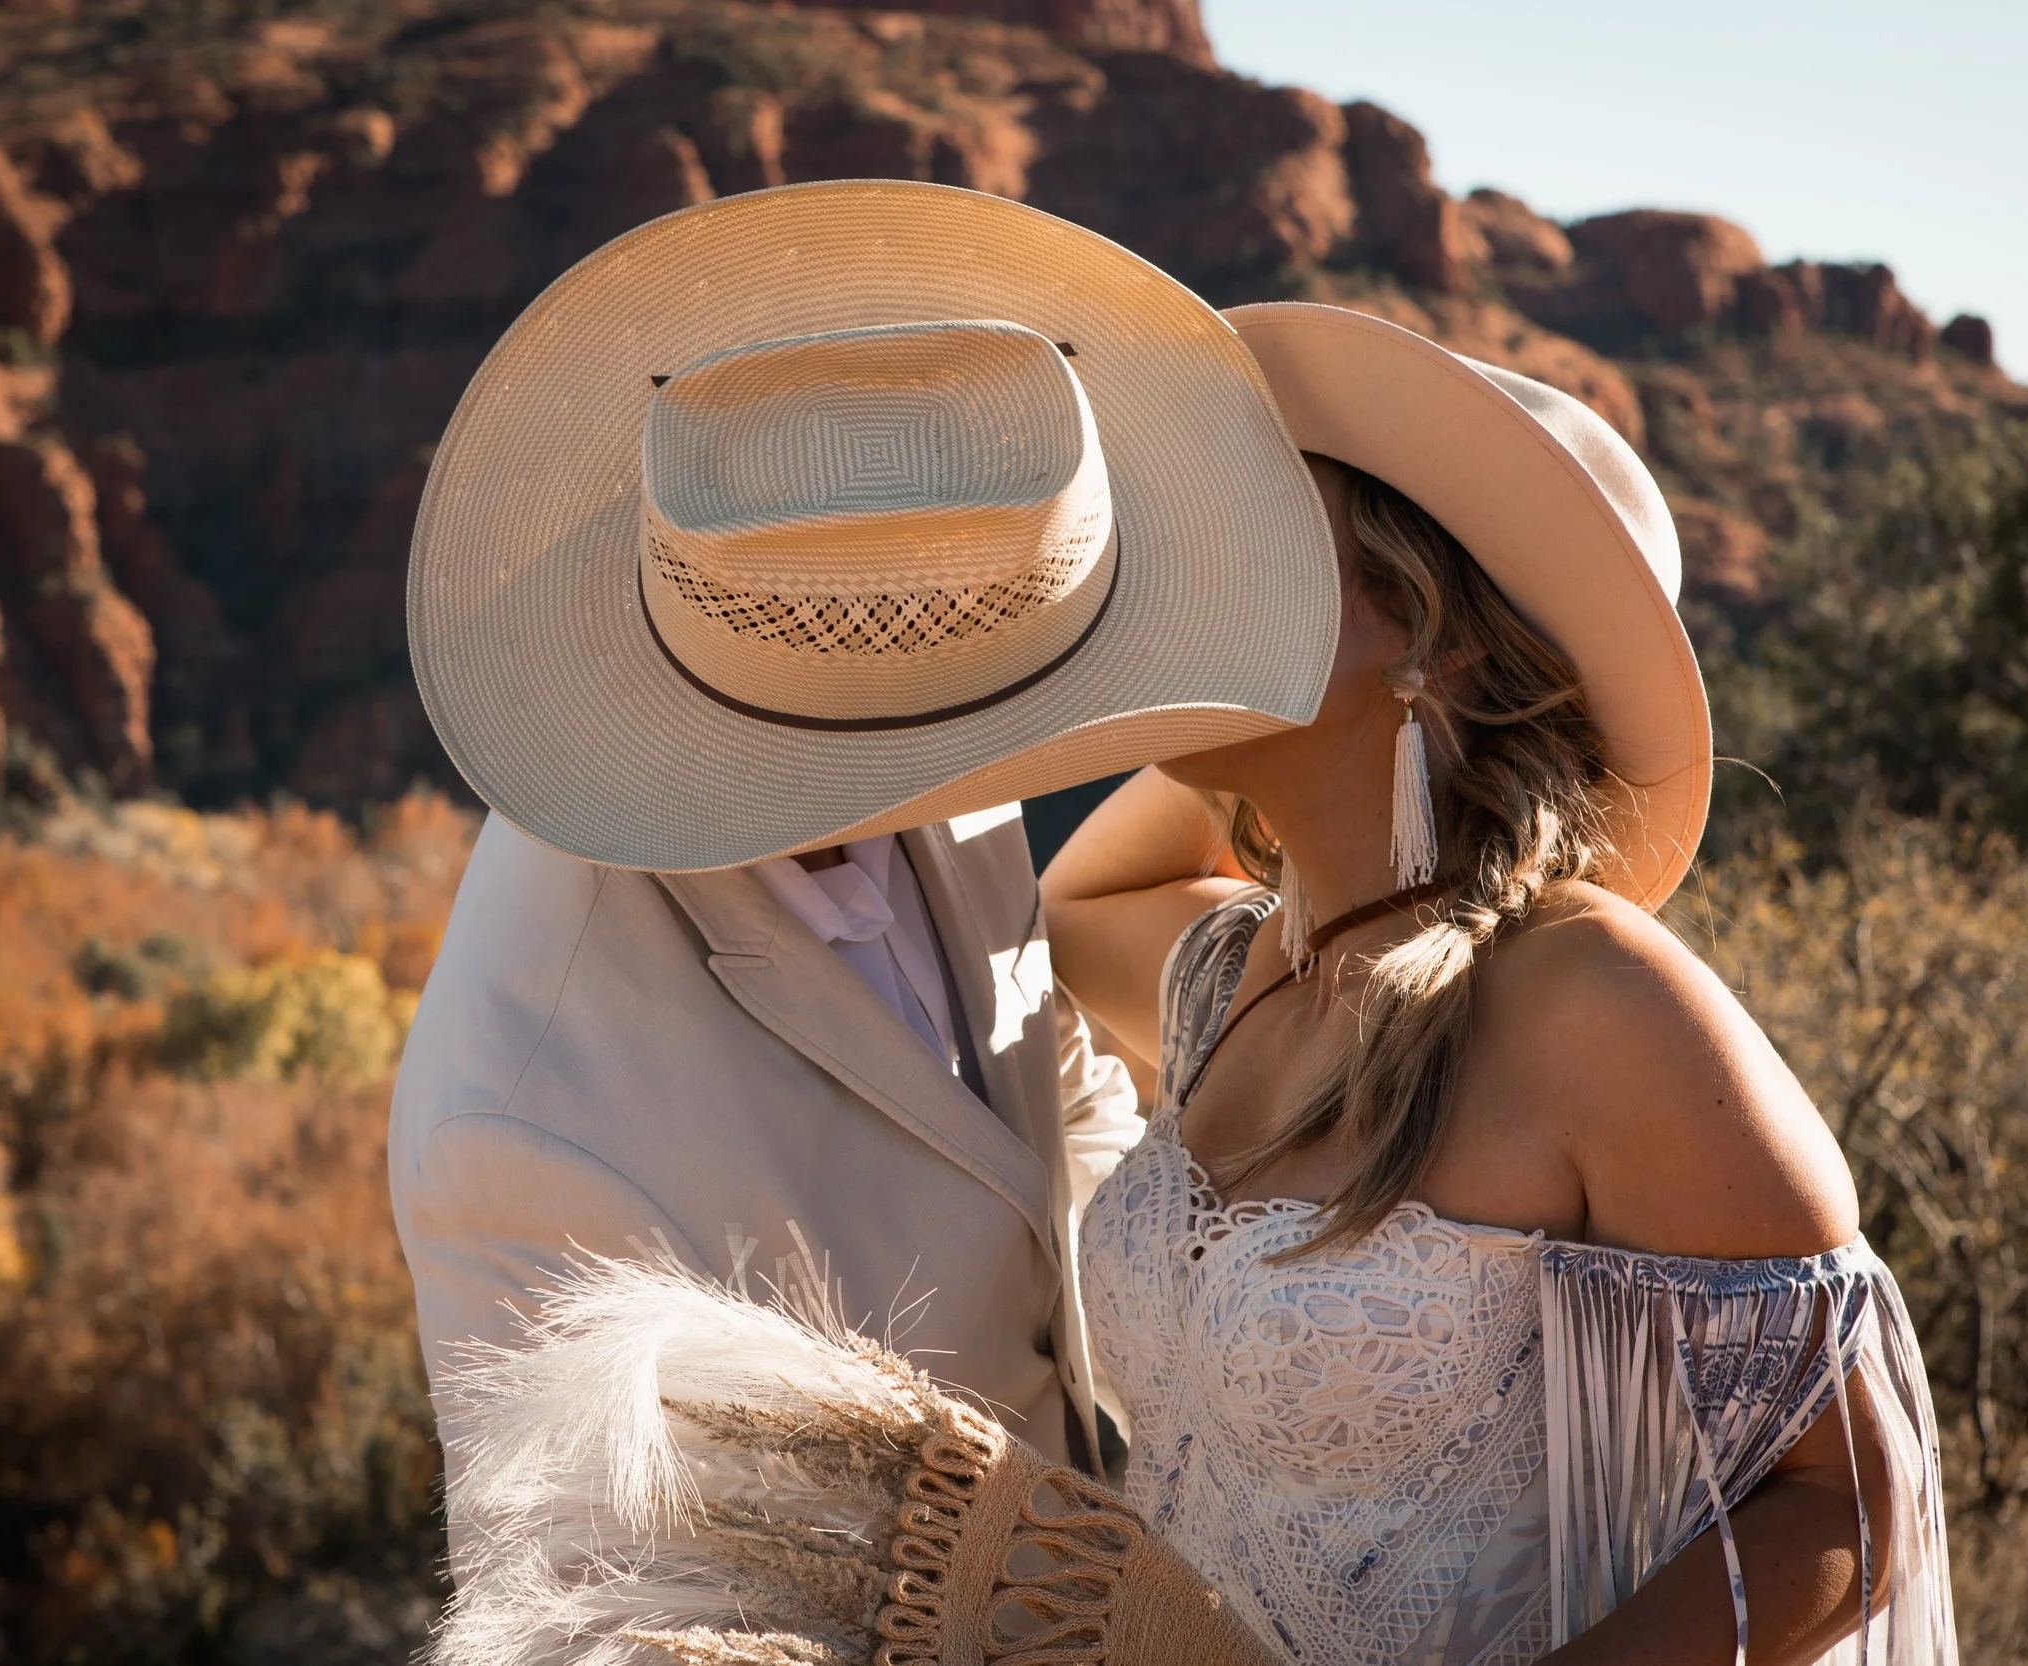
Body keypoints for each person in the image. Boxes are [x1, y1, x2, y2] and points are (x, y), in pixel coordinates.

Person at [422, 300, 1960, 1666]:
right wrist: (1252, 750)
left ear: (1424, 628)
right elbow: (1089, 894)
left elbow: (1856, 1485)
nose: (1181, 568)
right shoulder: (1236, 975)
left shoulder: (1589, 1000)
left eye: (1259, 533)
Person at [387, 177, 1345, 1528]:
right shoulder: (528, 1128)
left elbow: (1039, 1072)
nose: (984, 748)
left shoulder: (902, 666)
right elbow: (612, 1598)